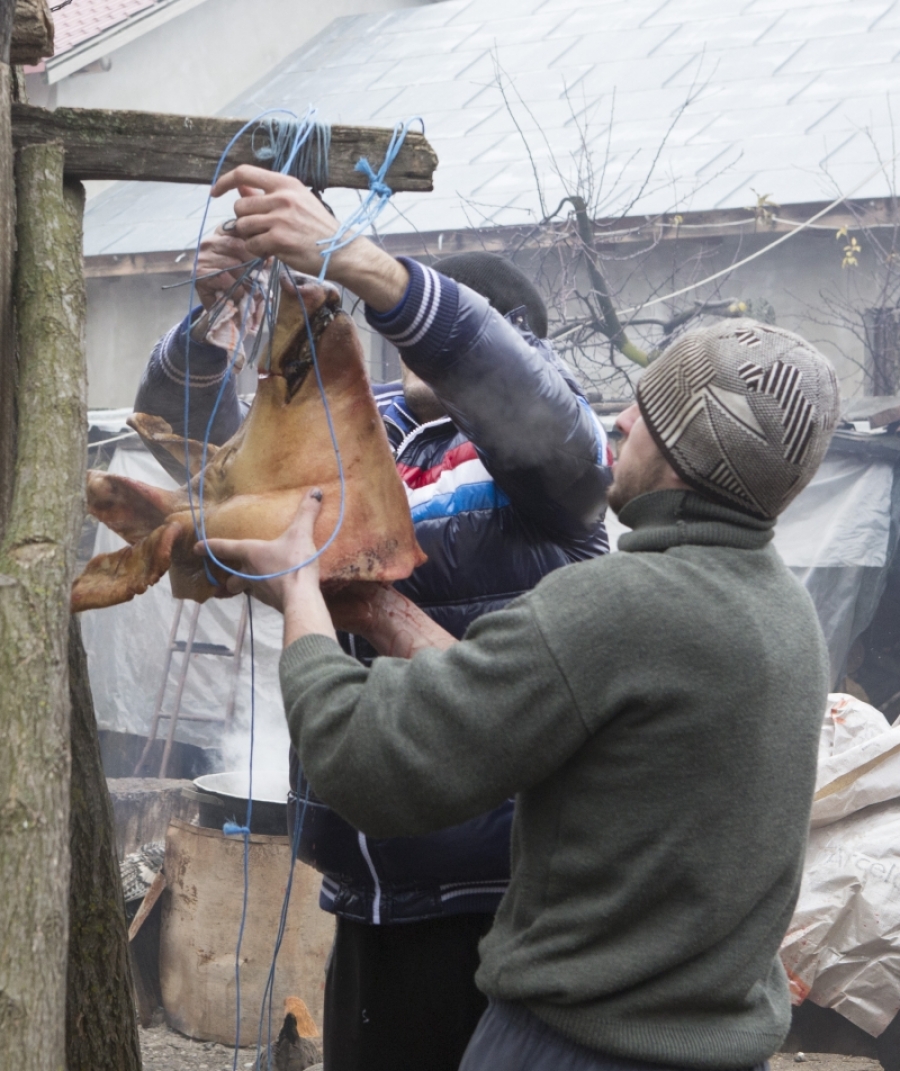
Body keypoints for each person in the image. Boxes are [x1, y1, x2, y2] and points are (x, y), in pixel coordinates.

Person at [197, 201, 842, 1071]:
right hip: (703, 1036)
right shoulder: (781, 609)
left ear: (689, 454)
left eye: (646, 413)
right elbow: (553, 706)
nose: (617, 421)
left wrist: (301, 592)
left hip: (569, 1033)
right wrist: (384, 615)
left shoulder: (612, 588)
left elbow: (368, 758)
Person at [134, 166, 611, 1070]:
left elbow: (536, 417)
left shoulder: (552, 468)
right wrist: (216, 321)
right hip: (368, 880)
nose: (412, 352)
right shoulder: (359, 432)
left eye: (437, 335)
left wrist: (363, 266)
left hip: (502, 888)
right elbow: (208, 471)